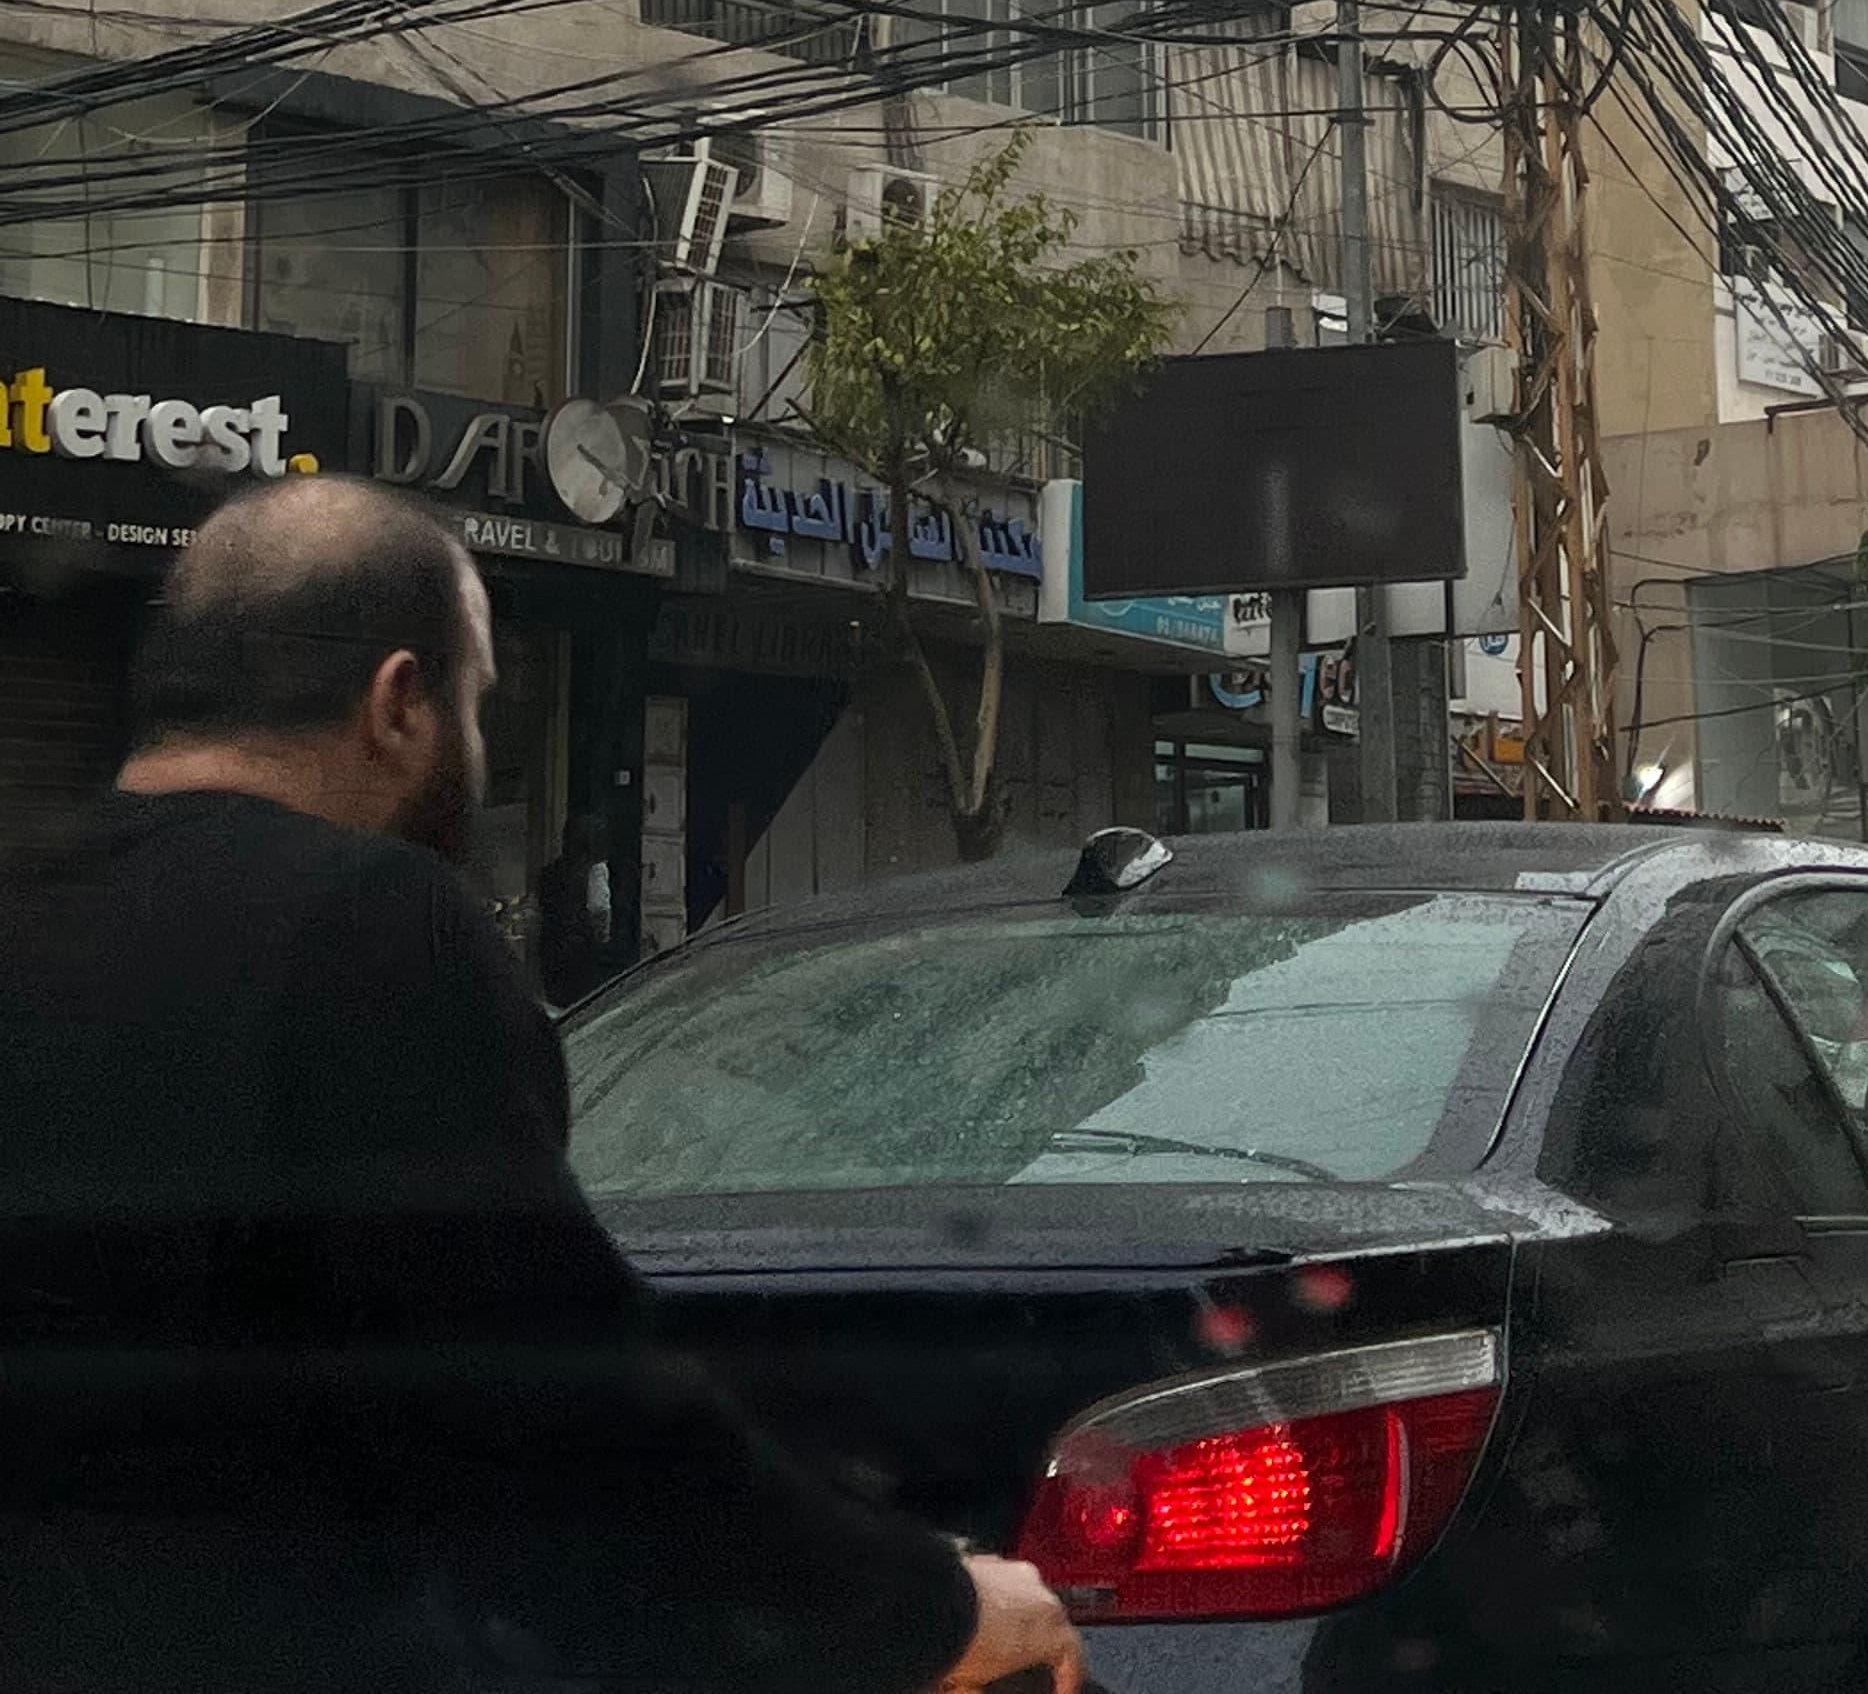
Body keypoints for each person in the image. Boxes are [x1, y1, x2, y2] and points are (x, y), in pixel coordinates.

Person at [0, 477, 1082, 1694]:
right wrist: (932, 1610)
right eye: (478, 705)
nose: (474, 744)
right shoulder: (365, 921)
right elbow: (564, 1427)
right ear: (401, 702)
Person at [535, 805, 616, 1008]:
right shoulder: (593, 873)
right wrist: (601, 938)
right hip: (582, 956)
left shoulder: (549, 874)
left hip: (552, 954)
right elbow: (599, 911)